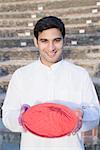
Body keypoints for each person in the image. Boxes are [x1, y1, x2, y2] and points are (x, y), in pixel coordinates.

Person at [2, 16, 100, 150]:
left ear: (64, 41)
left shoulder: (79, 74)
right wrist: (21, 118)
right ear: (36, 42)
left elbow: (95, 113)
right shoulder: (21, 75)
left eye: (56, 40)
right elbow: (8, 115)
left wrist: (82, 115)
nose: (51, 47)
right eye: (44, 41)